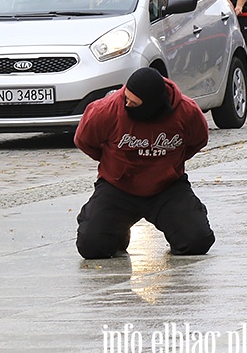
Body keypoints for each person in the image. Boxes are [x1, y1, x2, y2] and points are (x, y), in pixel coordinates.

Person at [74, 67, 214, 259]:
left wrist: (170, 165)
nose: (127, 104)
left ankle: (188, 217)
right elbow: (84, 140)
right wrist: (112, 162)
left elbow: (198, 140)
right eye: (126, 99)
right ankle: (116, 233)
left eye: (134, 103)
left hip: (167, 188)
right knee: (92, 246)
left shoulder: (186, 111)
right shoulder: (107, 109)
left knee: (197, 241)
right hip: (118, 187)